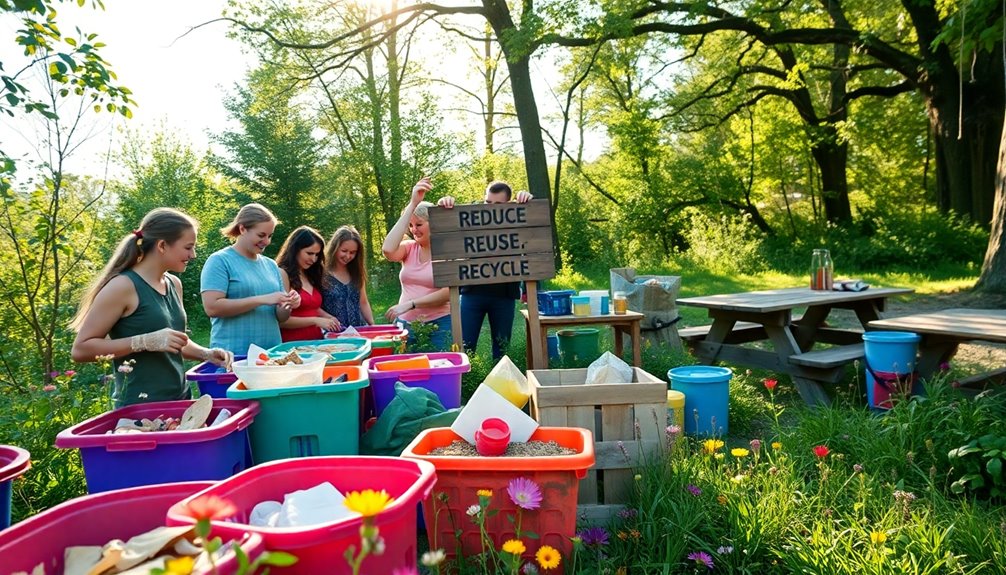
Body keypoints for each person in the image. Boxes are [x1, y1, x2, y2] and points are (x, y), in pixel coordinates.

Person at [70, 208, 233, 407]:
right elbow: (81, 350)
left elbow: (172, 341)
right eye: (188, 247)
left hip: (180, 399)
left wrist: (206, 354)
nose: (193, 255)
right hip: (139, 408)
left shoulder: (174, 283)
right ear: (162, 245)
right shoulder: (122, 286)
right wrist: (143, 342)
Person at [437, 181, 533, 360]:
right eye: (488, 203)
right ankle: (465, 386)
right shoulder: (473, 220)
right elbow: (451, 229)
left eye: (497, 205)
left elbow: (533, 227)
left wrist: (528, 201)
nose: (491, 209)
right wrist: (445, 205)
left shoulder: (516, 223)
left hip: (504, 295)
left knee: (501, 350)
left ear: (508, 205)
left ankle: (499, 385)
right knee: (465, 347)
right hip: (472, 292)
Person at [200, 203, 300, 353]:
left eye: (269, 236)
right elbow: (212, 307)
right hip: (234, 355)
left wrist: (287, 304)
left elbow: (280, 318)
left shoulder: (271, 265)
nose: (266, 241)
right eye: (261, 235)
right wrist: (262, 299)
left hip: (272, 354)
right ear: (242, 229)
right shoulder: (220, 260)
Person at [382, 176, 451, 350]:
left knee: (436, 370)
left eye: (419, 224)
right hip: (405, 324)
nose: (413, 230)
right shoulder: (408, 248)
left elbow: (449, 292)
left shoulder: (447, 251)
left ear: (434, 224)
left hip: (439, 325)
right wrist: (412, 204)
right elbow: (388, 250)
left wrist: (411, 304)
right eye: (411, 225)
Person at [275, 226, 341, 341]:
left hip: (316, 341)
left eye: (317, 255)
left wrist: (327, 316)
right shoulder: (283, 274)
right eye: (309, 253)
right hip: (293, 344)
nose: (313, 259)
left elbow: (310, 306)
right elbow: (281, 321)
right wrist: (315, 320)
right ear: (295, 250)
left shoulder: (310, 273)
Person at [321, 225, 375, 328]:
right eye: (344, 251)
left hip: (360, 331)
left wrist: (372, 325)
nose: (348, 256)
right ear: (335, 248)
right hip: (334, 335)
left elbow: (363, 302)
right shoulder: (322, 273)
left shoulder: (356, 272)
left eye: (353, 253)